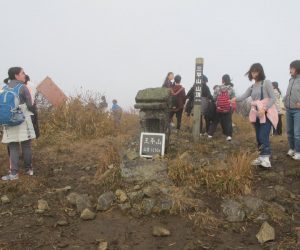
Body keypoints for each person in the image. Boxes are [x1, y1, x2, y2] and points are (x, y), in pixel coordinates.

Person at [232, 63, 277, 168]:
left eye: (256, 71)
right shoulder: (252, 87)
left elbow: (273, 98)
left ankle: (266, 158)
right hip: (256, 113)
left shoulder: (266, 83)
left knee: (263, 135)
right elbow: (243, 96)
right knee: (258, 136)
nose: (254, 74)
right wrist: (233, 99)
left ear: (260, 72)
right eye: (252, 71)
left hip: (266, 113)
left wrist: (264, 109)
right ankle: (261, 157)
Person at [1, 67, 36, 180]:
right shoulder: (23, 87)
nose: (24, 75)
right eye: (22, 73)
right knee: (26, 145)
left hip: (8, 120)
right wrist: (34, 112)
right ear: (16, 76)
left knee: (13, 147)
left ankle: (14, 173)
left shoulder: (4, 88)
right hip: (22, 119)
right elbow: (30, 104)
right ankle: (28, 169)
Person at [208, 74, 235, 141]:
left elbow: (214, 98)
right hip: (227, 108)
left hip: (219, 108)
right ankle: (229, 136)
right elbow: (233, 99)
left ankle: (210, 135)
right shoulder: (231, 89)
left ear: (222, 80)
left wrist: (217, 103)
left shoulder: (217, 88)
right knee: (228, 122)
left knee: (215, 121)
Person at [284, 60, 300, 160]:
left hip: (298, 111)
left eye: (292, 68)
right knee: (289, 131)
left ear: (297, 68)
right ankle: (292, 149)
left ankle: (298, 152)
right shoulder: (291, 80)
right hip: (288, 109)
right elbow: (287, 93)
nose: (290, 70)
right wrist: (284, 101)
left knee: (297, 132)